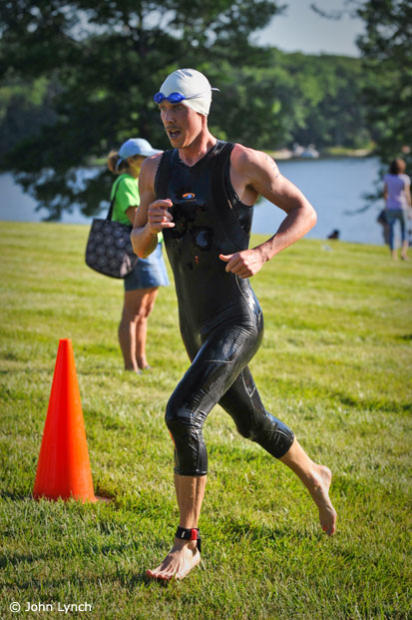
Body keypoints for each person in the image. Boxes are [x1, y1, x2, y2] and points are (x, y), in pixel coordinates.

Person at [131, 68, 337, 581]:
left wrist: (263, 252)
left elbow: (304, 211)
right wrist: (148, 227)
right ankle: (315, 474)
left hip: (236, 319)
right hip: (195, 325)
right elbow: (138, 244)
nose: (168, 119)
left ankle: (187, 544)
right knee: (252, 423)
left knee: (183, 415)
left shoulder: (242, 162)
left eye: (177, 109)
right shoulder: (154, 168)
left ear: (201, 110)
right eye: (162, 109)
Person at [107, 138, 169, 372]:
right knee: (132, 313)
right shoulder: (125, 182)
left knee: (145, 312)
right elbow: (137, 220)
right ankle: (130, 365)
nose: (152, 161)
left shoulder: (138, 181)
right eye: (146, 158)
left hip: (153, 250)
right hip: (137, 252)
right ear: (132, 161)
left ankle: (142, 361)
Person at [383, 158, 411, 260]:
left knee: (392, 231)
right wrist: (410, 207)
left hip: (390, 207)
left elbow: (385, 192)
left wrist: (386, 204)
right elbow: (407, 194)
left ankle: (393, 255)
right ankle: (403, 253)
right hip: (402, 207)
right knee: (404, 230)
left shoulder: (387, 177)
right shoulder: (404, 178)